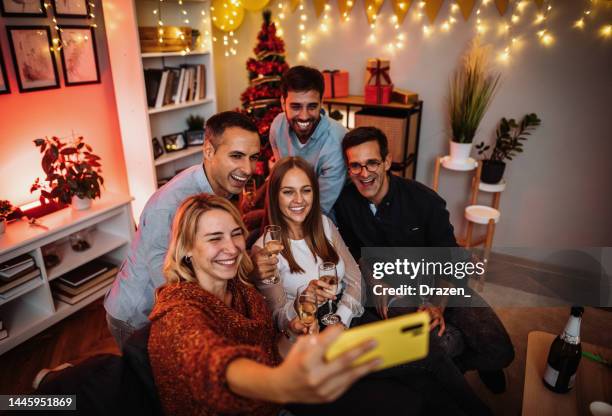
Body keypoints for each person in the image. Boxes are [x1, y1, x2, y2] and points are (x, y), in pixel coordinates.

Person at [147, 193, 382, 416]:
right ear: (186, 248)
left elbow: (272, 352)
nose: (232, 247)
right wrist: (280, 384)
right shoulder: (177, 310)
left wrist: (292, 332)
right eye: (215, 238)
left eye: (236, 234)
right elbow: (210, 361)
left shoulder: (243, 292)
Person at [333, 126, 515, 393]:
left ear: (386, 161)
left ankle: (470, 364)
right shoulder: (345, 204)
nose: (364, 173)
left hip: (441, 284)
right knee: (440, 343)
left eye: (372, 162)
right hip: (395, 293)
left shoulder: (425, 200)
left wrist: (438, 305)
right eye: (355, 166)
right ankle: (450, 367)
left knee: (501, 350)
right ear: (349, 169)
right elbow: (354, 254)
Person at [104, 111, 261, 349]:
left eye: (253, 157)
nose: (248, 169)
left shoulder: (223, 186)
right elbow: (167, 280)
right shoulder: (168, 205)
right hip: (138, 315)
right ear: (209, 151)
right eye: (237, 156)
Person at [251, 156, 364, 332]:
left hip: (345, 313)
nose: (299, 200)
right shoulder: (265, 250)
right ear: (274, 196)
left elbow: (355, 279)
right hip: (307, 327)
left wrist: (341, 320)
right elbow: (278, 318)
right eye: (288, 192)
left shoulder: (325, 223)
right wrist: (303, 301)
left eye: (306, 190)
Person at [269, 66, 348, 214]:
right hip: (289, 208)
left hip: (327, 217)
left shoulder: (336, 142)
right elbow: (280, 178)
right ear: (282, 102)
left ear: (321, 102)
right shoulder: (277, 126)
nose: (304, 116)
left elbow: (320, 208)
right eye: (296, 106)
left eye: (312, 106)